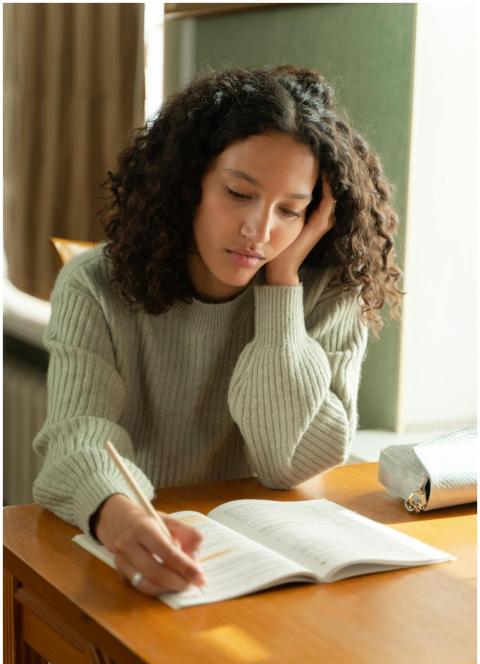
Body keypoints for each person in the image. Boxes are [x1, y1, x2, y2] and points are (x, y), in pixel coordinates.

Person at [33, 65, 403, 604]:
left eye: (290, 211)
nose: (260, 231)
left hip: (263, 574)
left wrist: (281, 285)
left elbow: (288, 466)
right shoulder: (94, 287)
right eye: (238, 193)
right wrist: (118, 513)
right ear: (190, 185)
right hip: (131, 549)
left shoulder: (328, 289)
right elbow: (76, 433)